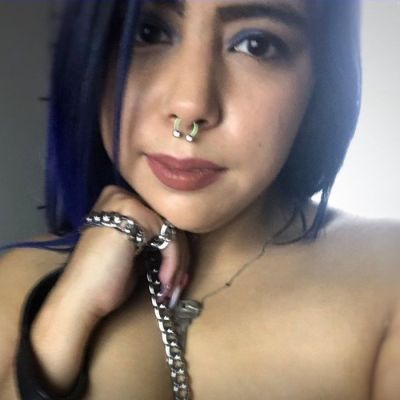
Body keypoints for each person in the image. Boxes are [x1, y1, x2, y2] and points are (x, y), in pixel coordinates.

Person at [0, 0, 399, 399]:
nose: (190, 108)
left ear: (321, 74)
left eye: (257, 45)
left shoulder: (385, 281)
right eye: (148, 31)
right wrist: (63, 320)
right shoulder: (19, 282)